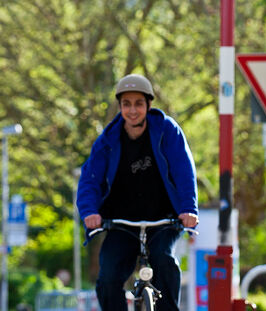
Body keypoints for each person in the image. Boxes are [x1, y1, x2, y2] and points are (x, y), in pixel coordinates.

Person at [76, 74, 199, 311]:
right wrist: (90, 212)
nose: (133, 110)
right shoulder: (107, 141)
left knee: (164, 260)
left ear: (148, 105)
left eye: (139, 104)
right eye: (126, 104)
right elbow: (90, 180)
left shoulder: (166, 131)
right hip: (122, 222)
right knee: (108, 276)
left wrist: (188, 209)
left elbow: (184, 171)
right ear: (120, 106)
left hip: (164, 219)